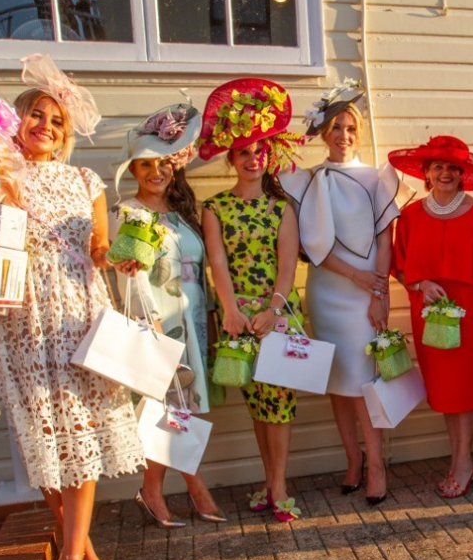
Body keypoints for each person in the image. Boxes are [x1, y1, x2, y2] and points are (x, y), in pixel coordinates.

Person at [0, 54, 145, 560]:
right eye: (36, 116)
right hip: (21, 319)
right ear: (17, 120)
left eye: (56, 122)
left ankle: (71, 557)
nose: (45, 127)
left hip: (78, 314)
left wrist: (121, 256)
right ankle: (81, 539)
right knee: (45, 439)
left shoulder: (84, 178)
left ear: (65, 133)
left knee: (81, 434)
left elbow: (99, 247)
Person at [280, 81, 409, 507]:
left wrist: (380, 292)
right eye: (336, 127)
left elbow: (385, 240)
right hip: (328, 290)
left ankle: (376, 464)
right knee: (338, 382)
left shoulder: (376, 178)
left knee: (362, 381)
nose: (344, 136)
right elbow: (311, 247)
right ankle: (352, 461)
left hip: (365, 292)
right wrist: (352, 275)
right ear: (323, 133)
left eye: (351, 128)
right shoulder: (307, 181)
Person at [110, 101, 226, 526]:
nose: (155, 172)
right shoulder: (129, 212)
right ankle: (188, 488)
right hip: (157, 323)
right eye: (145, 166)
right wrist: (151, 325)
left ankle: (156, 489)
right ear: (134, 171)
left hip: (190, 321)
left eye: (163, 164)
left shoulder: (180, 214)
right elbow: (131, 276)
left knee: (181, 408)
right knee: (170, 409)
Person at [196, 78, 306, 522]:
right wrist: (232, 310)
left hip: (275, 315)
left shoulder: (282, 207)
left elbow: (287, 265)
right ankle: (269, 480)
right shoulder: (215, 207)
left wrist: (272, 309)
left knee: (279, 403)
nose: (253, 158)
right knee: (258, 404)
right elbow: (217, 263)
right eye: (244, 151)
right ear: (231, 158)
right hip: (239, 318)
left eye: (260, 150)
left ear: (269, 156)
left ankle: (279, 487)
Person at [389, 136, 473, 497]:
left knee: (464, 390)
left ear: (462, 174)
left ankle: (462, 462)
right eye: (437, 167)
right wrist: (420, 285)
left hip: (471, 316)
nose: (444, 173)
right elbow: (399, 268)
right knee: (444, 391)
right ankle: (460, 458)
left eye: (451, 168)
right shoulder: (411, 217)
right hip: (429, 316)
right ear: (426, 174)